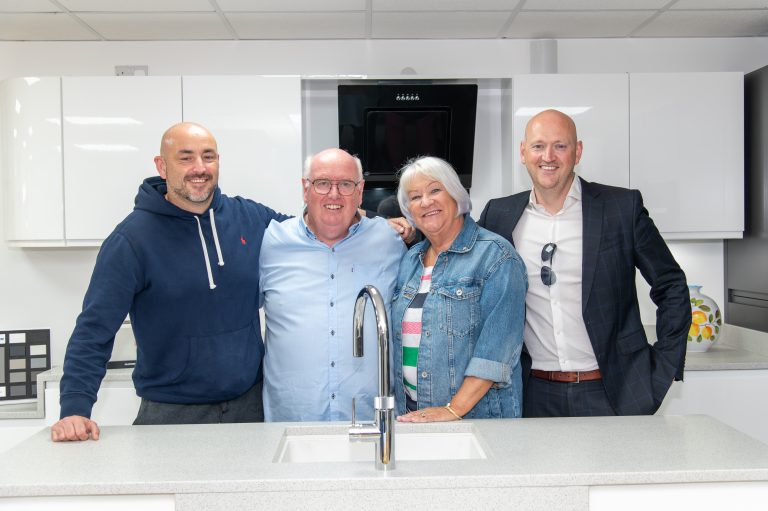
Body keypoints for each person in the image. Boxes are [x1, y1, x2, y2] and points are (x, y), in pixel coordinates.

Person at [51, 122, 291, 442]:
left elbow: (311, 232)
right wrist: (74, 409)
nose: (200, 168)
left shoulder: (249, 217)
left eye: (209, 157)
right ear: (162, 166)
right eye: (186, 158)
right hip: (171, 414)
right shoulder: (131, 240)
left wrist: (369, 222)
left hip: (249, 409)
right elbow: (94, 329)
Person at [478, 109, 690, 417]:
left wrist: (664, 367)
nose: (547, 156)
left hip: (612, 393)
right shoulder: (499, 215)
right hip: (532, 394)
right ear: (523, 153)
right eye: (538, 146)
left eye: (560, 146)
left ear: (577, 152)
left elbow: (670, 284)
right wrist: (403, 231)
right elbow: (455, 247)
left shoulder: (621, 208)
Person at [259, 148, 406, 422]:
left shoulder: (388, 239)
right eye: (323, 183)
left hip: (370, 420)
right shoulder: (272, 241)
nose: (334, 194)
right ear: (305, 189)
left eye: (346, 184)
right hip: (293, 422)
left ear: (360, 191)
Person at [393, 156, 527, 422]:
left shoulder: (496, 256)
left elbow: (496, 352)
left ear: (456, 195)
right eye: (415, 196)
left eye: (434, 190)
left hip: (477, 418)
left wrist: (452, 410)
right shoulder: (411, 260)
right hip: (414, 416)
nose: (426, 201)